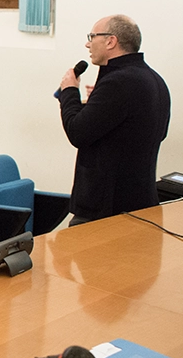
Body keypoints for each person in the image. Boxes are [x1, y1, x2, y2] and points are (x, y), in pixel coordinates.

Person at [58, 14, 171, 224]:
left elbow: (77, 132)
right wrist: (97, 106)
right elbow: (150, 131)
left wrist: (69, 92)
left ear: (111, 41)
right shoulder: (153, 79)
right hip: (141, 202)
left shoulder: (118, 83)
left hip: (106, 208)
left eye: (92, 37)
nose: (87, 43)